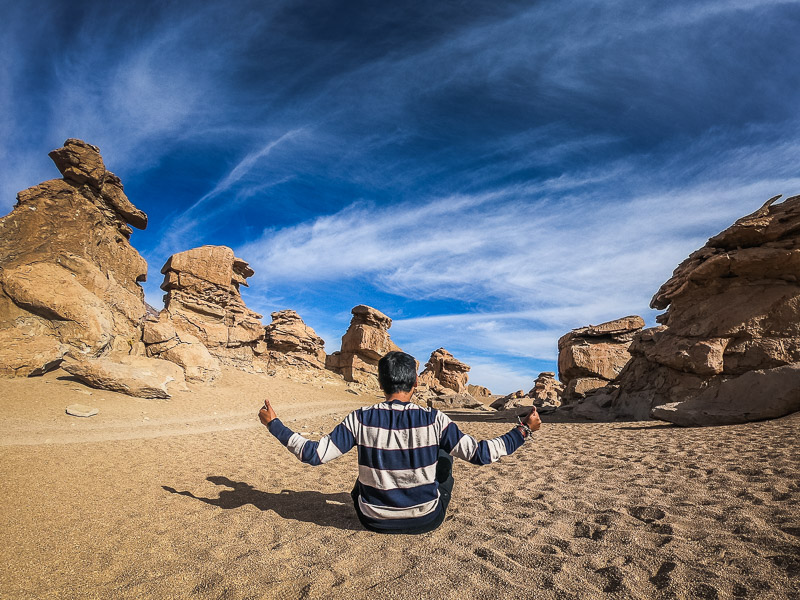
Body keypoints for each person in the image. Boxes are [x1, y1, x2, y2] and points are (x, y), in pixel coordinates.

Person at [258, 350, 541, 534]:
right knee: (445, 453)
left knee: (363, 474)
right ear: (415, 383)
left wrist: (274, 424)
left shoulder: (360, 418)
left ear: (381, 384)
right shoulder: (434, 419)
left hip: (371, 519)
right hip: (427, 519)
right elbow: (481, 454)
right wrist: (524, 431)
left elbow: (314, 454)